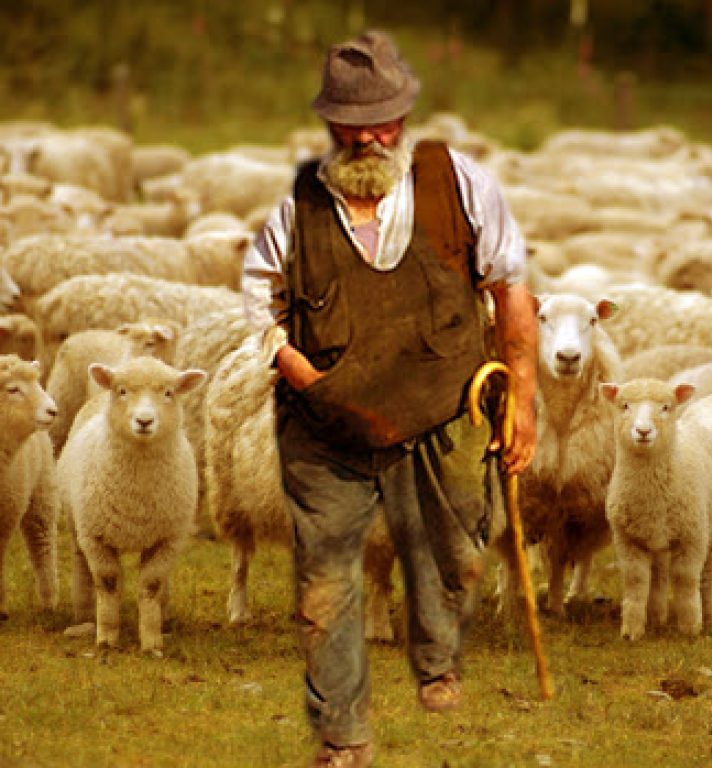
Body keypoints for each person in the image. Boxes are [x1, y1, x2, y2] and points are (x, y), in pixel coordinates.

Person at [242, 30, 537, 768]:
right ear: (329, 125)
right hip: (328, 419)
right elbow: (256, 294)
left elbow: (511, 289)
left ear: (405, 115)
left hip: (443, 407)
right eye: (353, 122)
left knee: (453, 549)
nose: (371, 135)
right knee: (327, 576)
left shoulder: (460, 183)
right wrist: (292, 363)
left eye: (385, 119)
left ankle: (436, 657)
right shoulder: (298, 204)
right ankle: (342, 736)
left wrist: (523, 398)